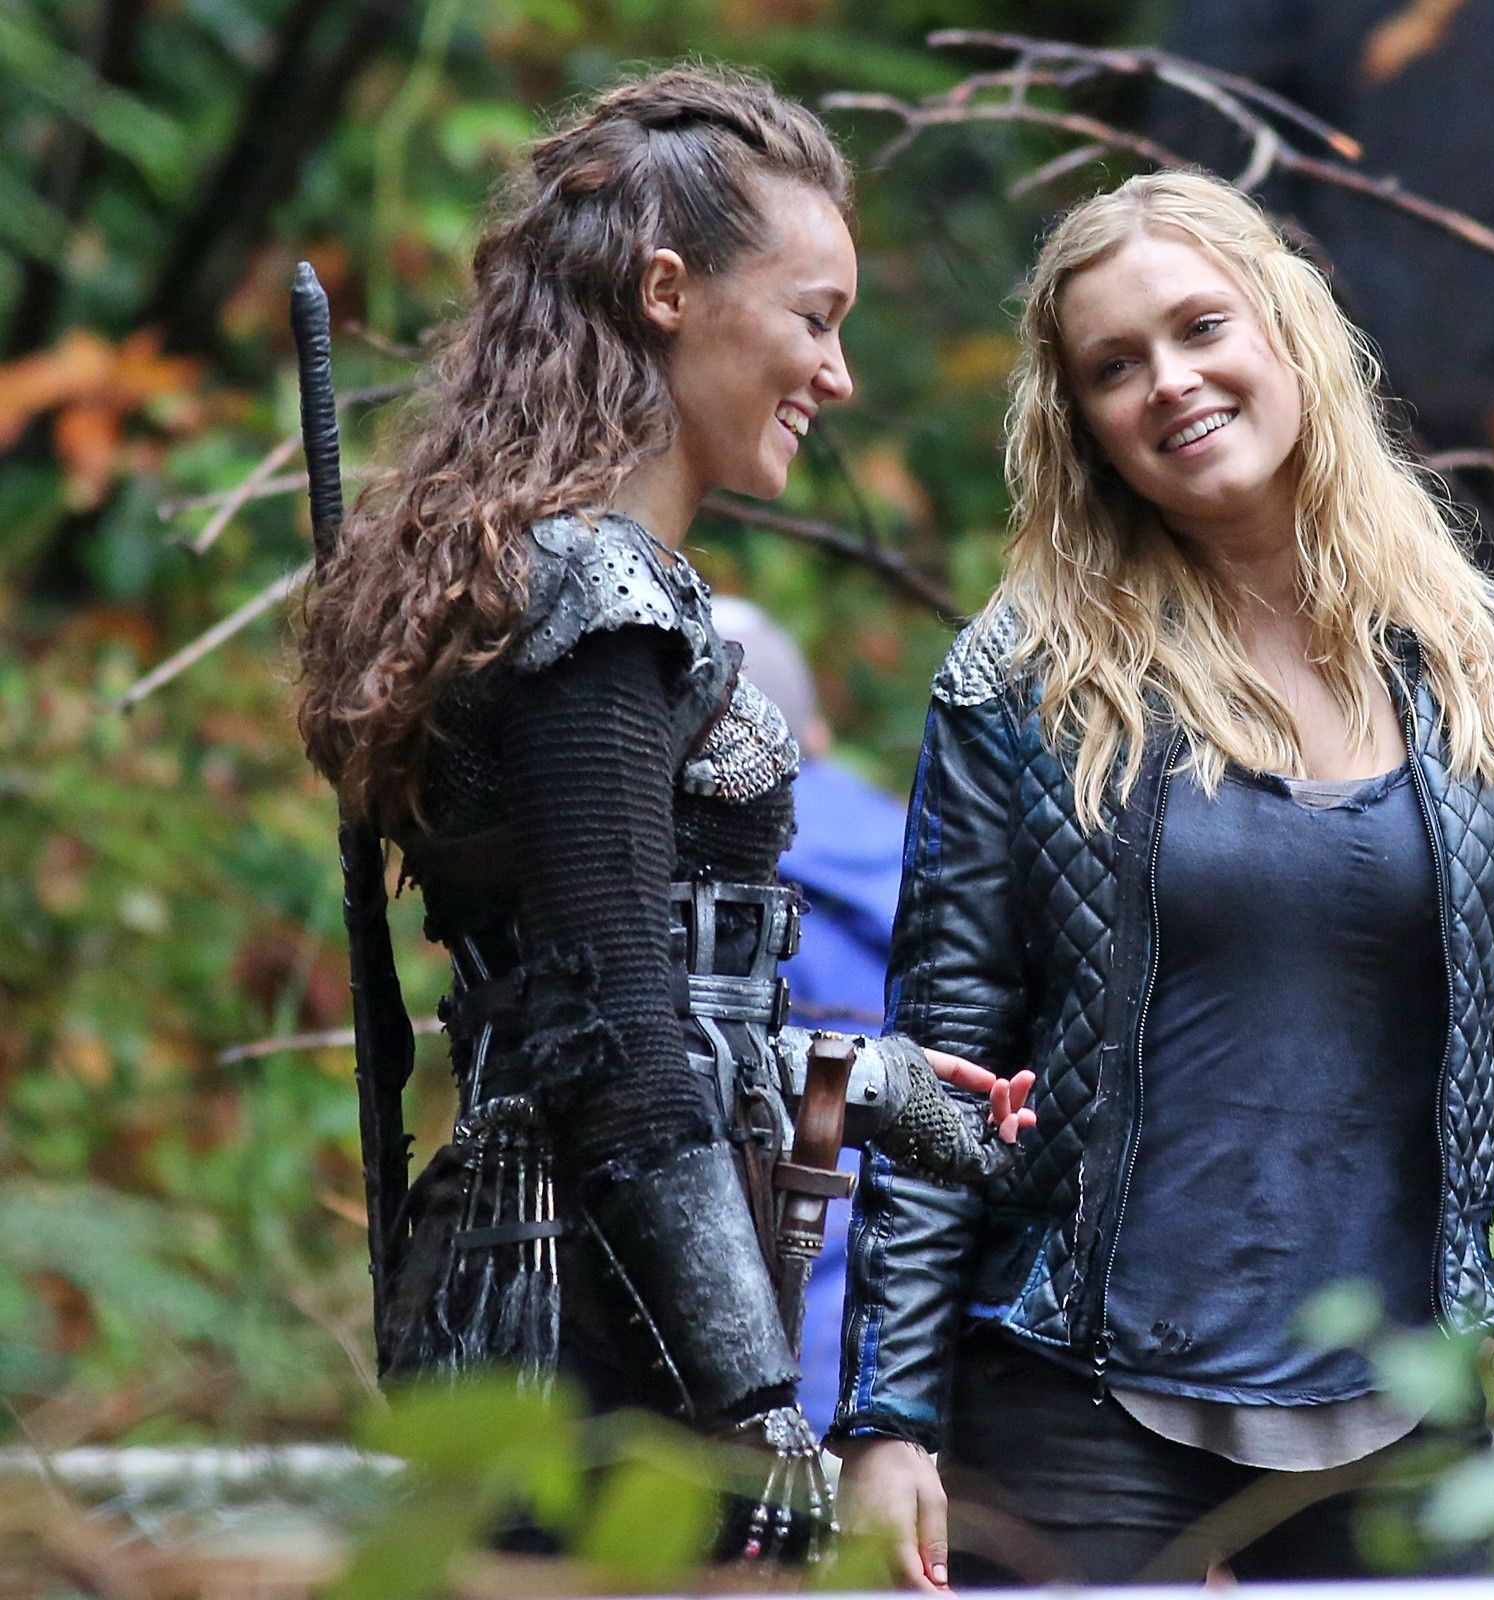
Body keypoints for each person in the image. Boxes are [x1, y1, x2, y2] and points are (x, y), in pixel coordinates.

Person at [831, 171, 1494, 1585]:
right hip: (1073, 1406)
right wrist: (887, 1421)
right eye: (1114, 367)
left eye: (1201, 327)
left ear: (1288, 331)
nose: (1169, 382)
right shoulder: (1020, 684)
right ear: (1082, 425)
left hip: (1404, 1416)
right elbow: (938, 1074)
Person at [292, 65, 1028, 1563]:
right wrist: (756, 1399)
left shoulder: (576, 578)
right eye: (813, 318)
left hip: (584, 1290)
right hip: (589, 1338)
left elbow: (641, 1003)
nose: (837, 374)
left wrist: (870, 1080)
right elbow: (614, 1046)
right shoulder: (594, 595)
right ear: (669, 292)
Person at [710, 596, 909, 1433]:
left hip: (730, 1306)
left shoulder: (683, 877)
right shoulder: (921, 850)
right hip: (902, 1312)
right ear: (817, 732)